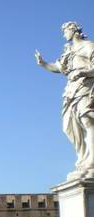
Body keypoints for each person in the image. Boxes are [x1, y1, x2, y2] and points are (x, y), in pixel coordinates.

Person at [36, 22, 94, 170]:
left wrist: (83, 72)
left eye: (65, 31)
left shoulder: (88, 46)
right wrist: (43, 63)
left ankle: (92, 159)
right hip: (71, 90)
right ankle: (83, 156)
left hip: (85, 86)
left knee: (87, 119)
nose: (64, 34)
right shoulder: (69, 51)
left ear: (73, 30)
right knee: (69, 125)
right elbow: (59, 68)